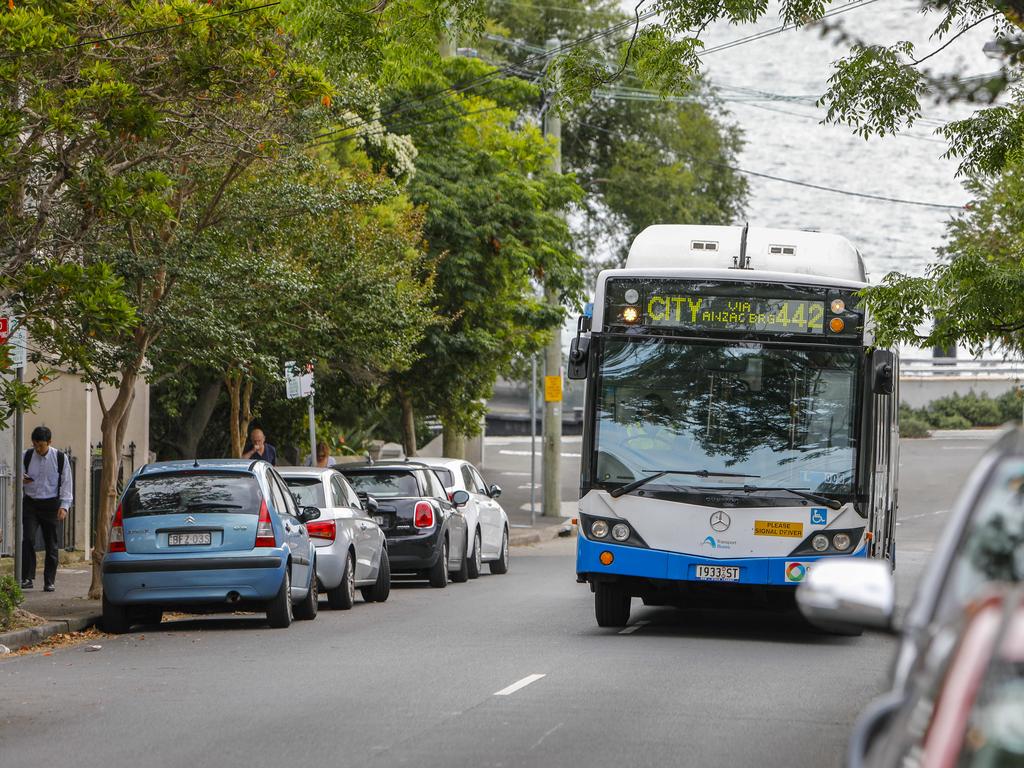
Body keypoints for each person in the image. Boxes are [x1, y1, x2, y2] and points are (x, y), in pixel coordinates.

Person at [21, 426, 73, 591]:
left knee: (51, 544)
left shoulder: (59, 458)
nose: (37, 448)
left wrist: (64, 506)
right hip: (31, 503)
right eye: (35, 445)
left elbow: (66, 483)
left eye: (41, 445)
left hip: (51, 504)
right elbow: (17, 473)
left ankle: (49, 581)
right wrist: (22, 478)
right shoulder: (26, 455)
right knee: (28, 538)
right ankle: (27, 578)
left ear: (49, 442)